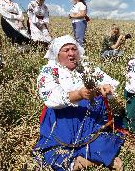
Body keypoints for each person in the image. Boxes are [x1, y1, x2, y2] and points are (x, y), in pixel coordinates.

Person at [33, 35, 124, 171]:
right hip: (62, 120)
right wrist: (78, 95)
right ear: (57, 54)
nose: (71, 53)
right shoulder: (50, 71)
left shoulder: (86, 67)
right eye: (66, 50)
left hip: (89, 120)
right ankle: (87, 161)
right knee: (52, 154)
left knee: (102, 143)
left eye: (74, 49)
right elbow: (51, 97)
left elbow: (107, 81)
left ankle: (88, 158)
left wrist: (105, 87)